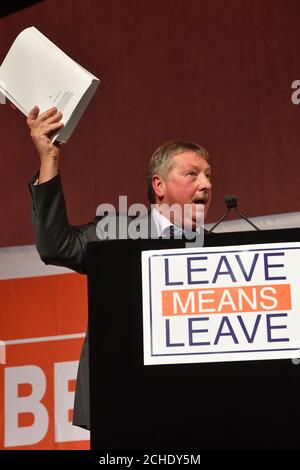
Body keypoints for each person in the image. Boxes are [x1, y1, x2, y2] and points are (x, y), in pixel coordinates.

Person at [27, 105, 212, 430]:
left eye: (209, 175)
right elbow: (56, 245)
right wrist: (49, 159)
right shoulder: (115, 234)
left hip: (195, 404)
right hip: (121, 396)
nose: (206, 184)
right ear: (159, 186)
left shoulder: (220, 254)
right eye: (193, 174)